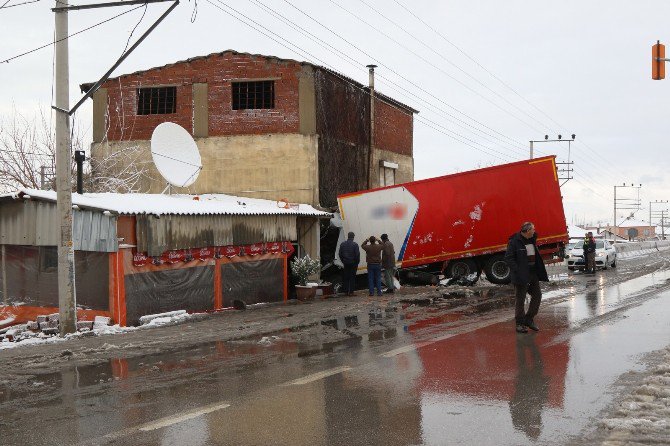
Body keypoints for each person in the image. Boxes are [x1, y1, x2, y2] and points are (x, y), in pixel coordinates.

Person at [504, 222, 549, 333]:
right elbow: (509, 258)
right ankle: (519, 324)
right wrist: (518, 271)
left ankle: (529, 319)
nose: (534, 231)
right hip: (521, 275)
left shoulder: (532, 239)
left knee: (537, 295)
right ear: (528, 230)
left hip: (532, 273)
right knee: (520, 299)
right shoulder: (514, 242)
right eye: (533, 229)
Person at [338, 231, 360, 296]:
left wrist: (343, 261)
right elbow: (357, 255)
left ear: (348, 236)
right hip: (353, 263)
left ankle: (346, 292)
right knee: (352, 277)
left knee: (346, 277)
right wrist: (357, 262)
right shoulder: (355, 245)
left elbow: (340, 254)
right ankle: (351, 292)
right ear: (353, 237)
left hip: (346, 263)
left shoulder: (342, 244)